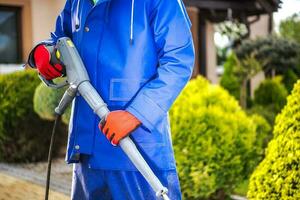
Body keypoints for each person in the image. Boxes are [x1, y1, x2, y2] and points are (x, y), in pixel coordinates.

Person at [28, 0, 195, 199]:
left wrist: (136, 114)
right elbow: (61, 40)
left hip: (136, 152)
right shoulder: (77, 2)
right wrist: (45, 53)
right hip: (87, 148)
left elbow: (178, 61)